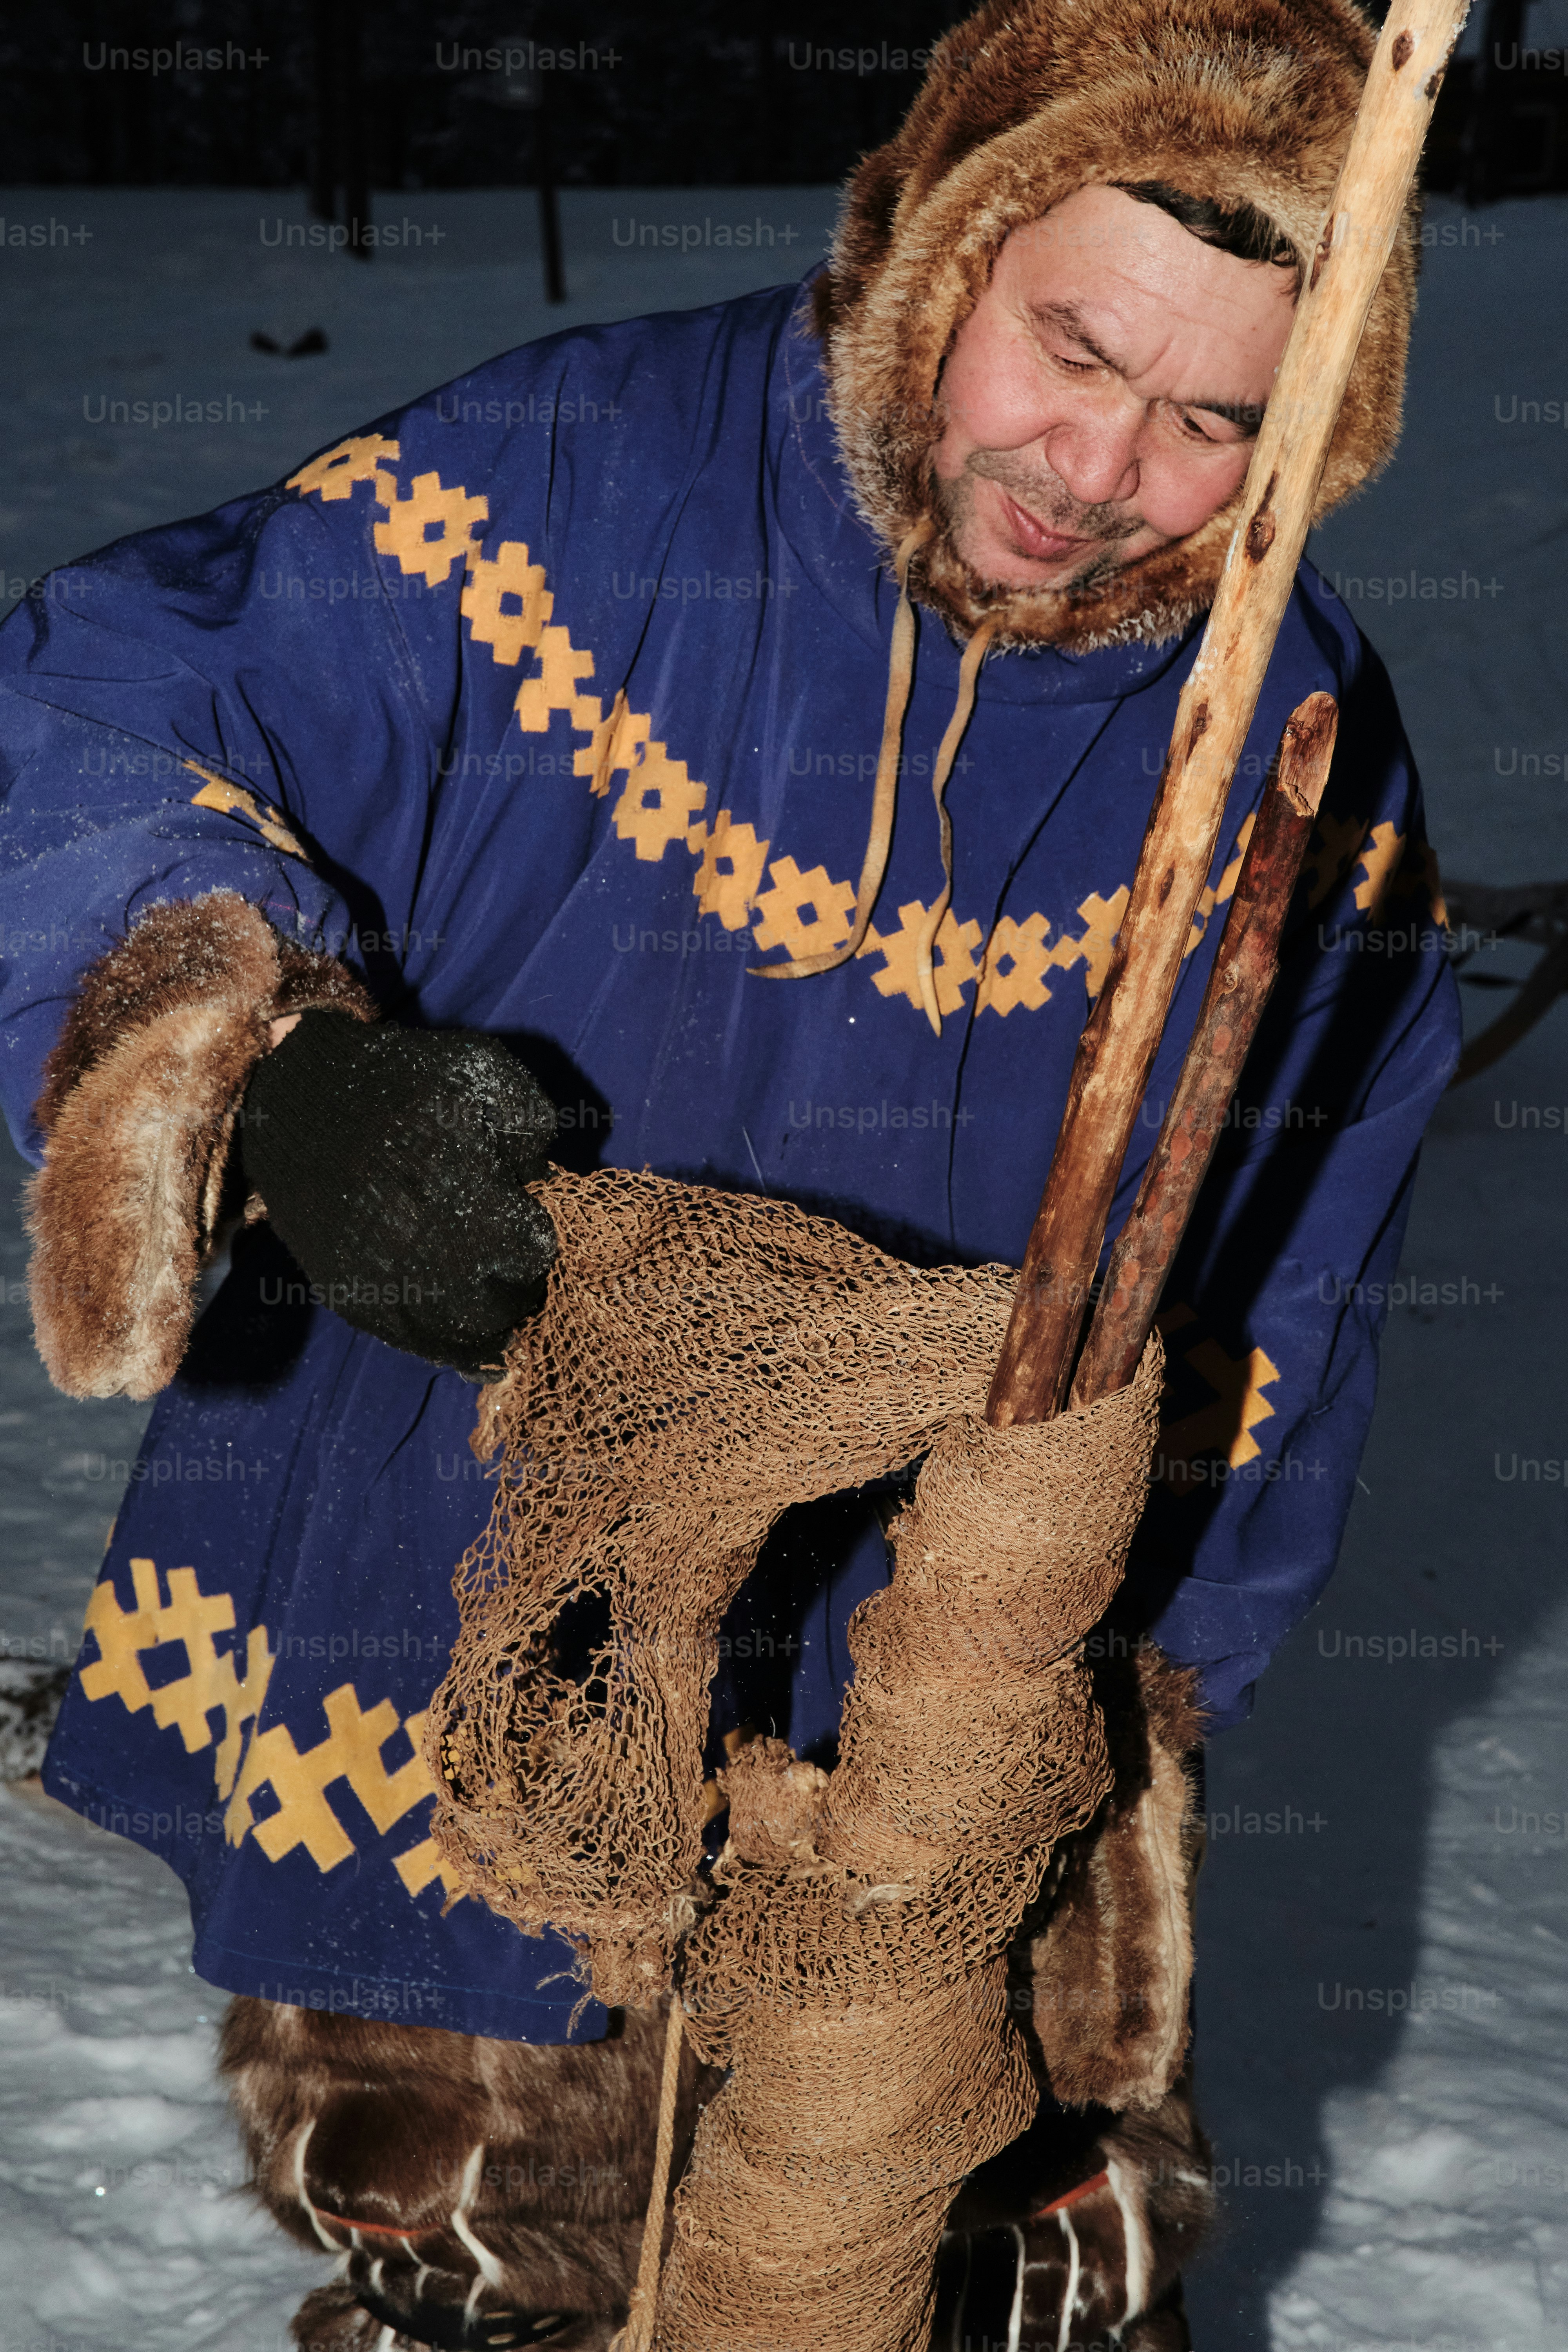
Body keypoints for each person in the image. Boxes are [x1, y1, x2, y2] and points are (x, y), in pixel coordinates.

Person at [0, 1, 1458, 2345]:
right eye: (1070, 347)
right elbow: (82, 710)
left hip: (964, 1728)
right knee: (501, 2273)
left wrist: (1150, 1701)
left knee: (1003, 2294)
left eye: (1219, 421)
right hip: (462, 1638)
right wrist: (266, 1069)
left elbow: (1309, 1265)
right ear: (943, 252)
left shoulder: (1296, 740)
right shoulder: (567, 491)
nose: (1103, 466)